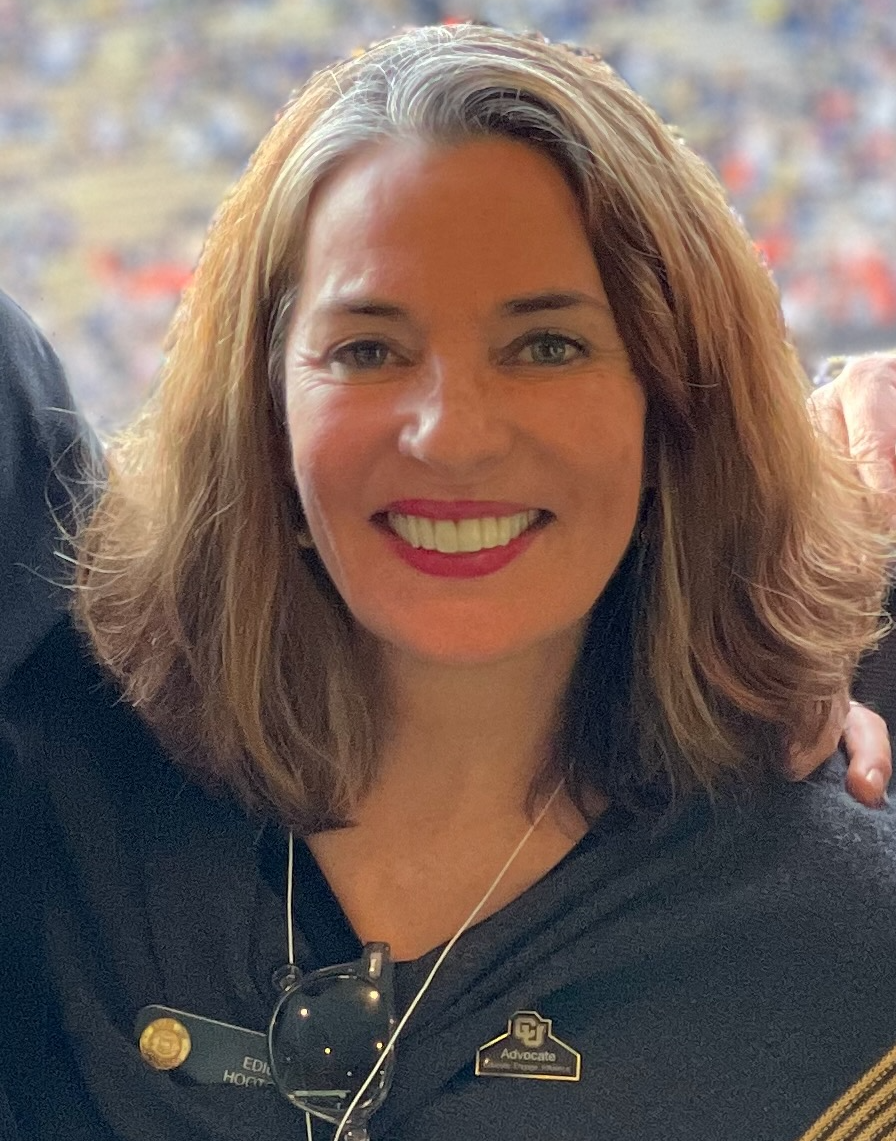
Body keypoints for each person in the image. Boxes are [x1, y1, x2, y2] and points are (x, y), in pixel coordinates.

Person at [3, 23, 896, 1141]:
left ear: (674, 403)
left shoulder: (839, 956)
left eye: (547, 346)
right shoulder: (68, 779)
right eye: (368, 350)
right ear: (263, 409)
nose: (451, 436)